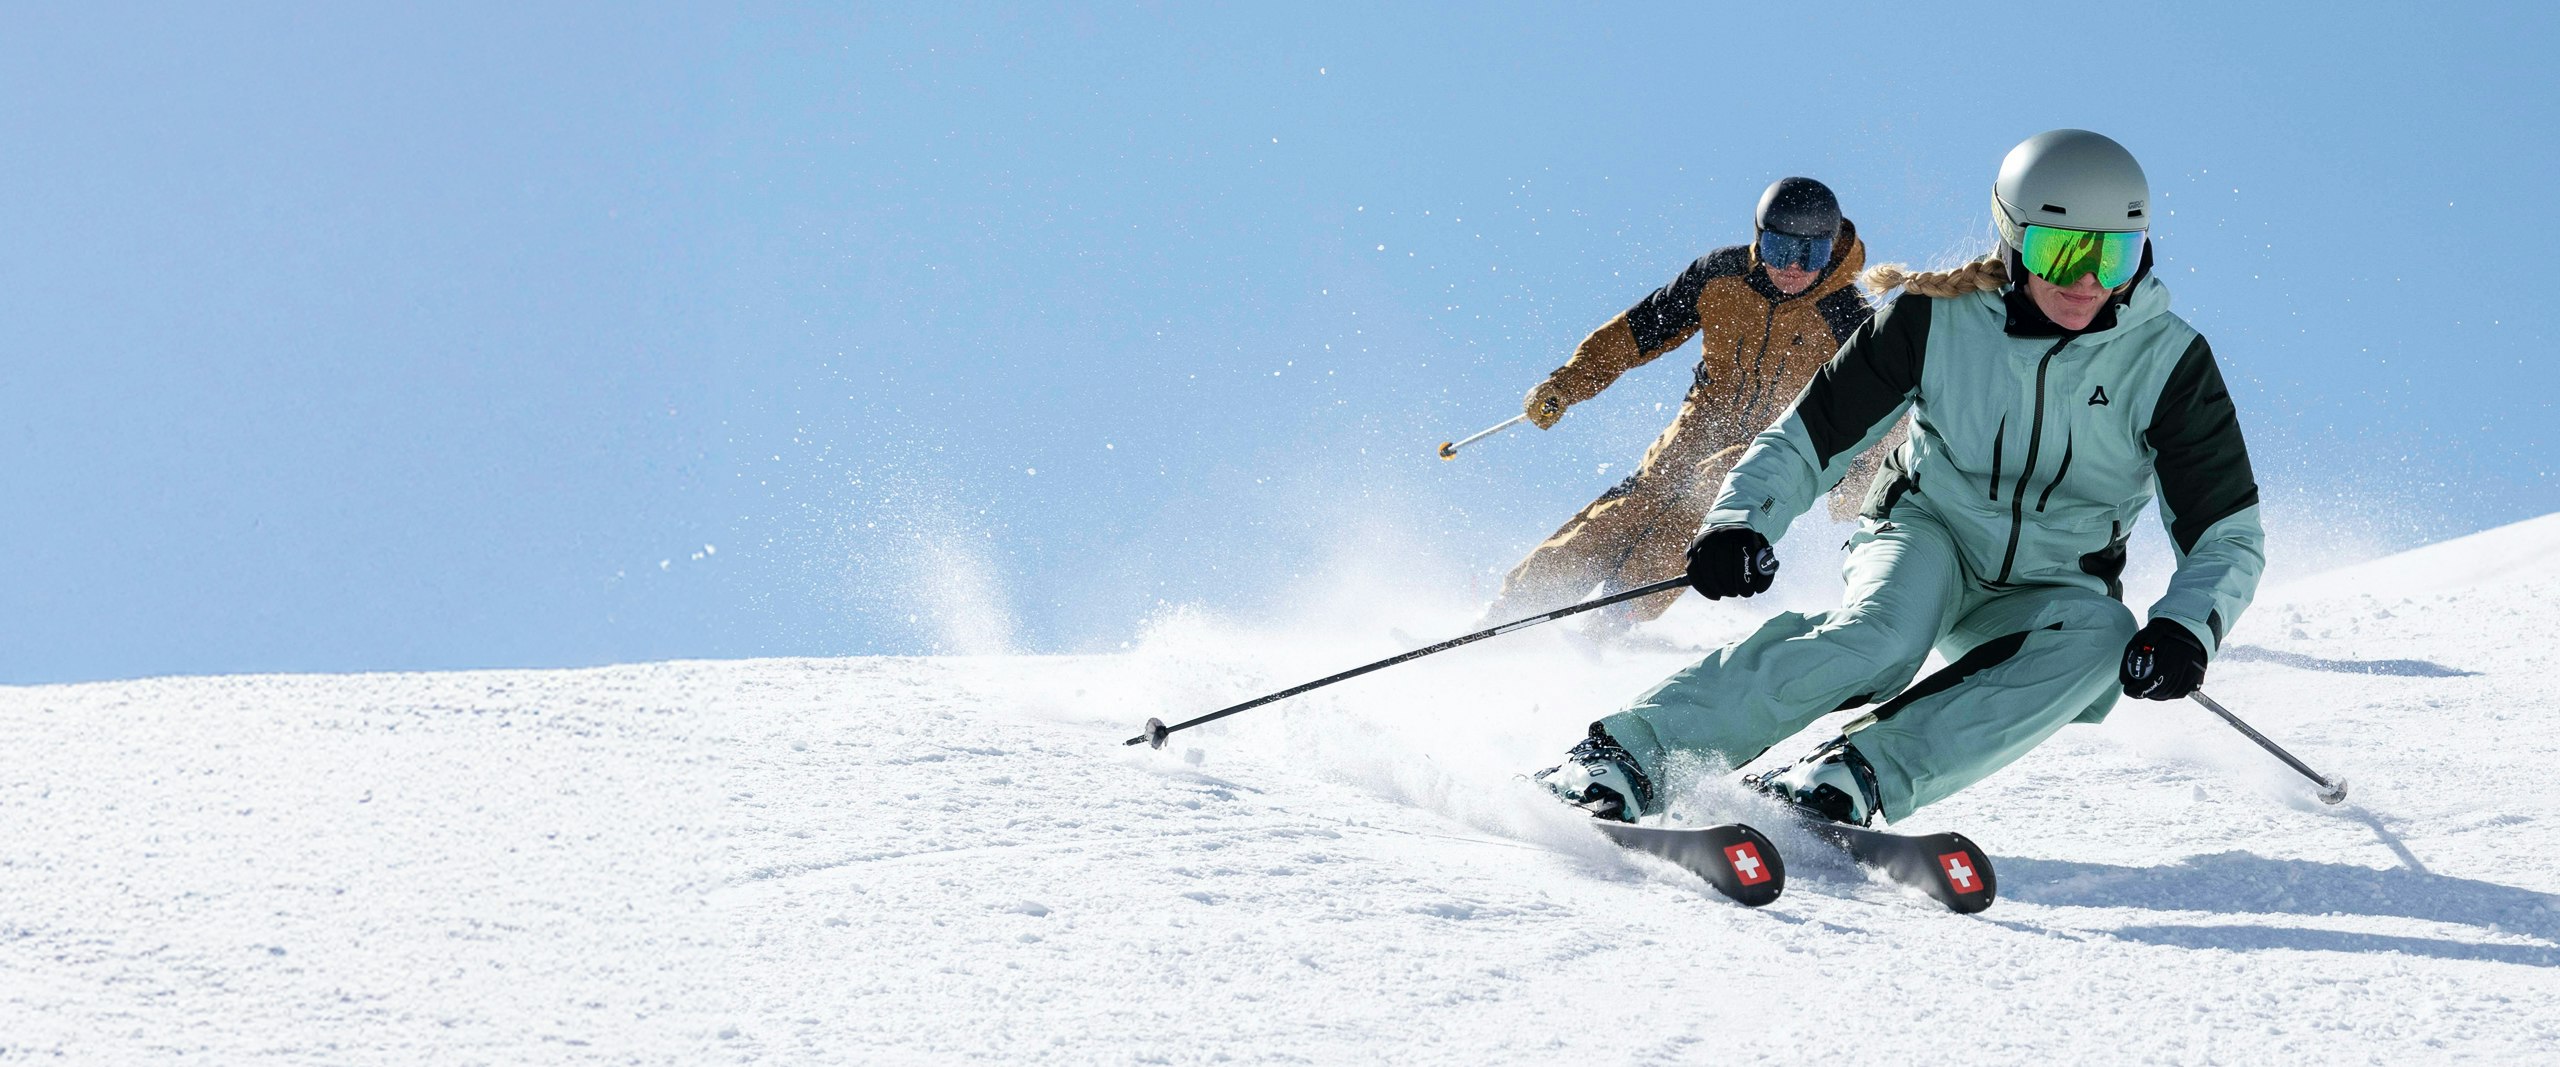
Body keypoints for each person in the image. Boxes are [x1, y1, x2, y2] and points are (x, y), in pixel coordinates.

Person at [1537, 130, 2264, 827]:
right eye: (2061, 249)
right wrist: (1739, 521)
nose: (2086, 281)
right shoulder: (1936, 319)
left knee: (2104, 638)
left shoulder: (2168, 363)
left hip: (2054, 581)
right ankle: (1629, 753)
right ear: (2013, 239)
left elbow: (2227, 533)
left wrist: (2185, 628)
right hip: (1927, 535)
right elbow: (1811, 434)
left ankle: (1855, 773)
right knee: (1881, 641)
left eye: (2114, 256)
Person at [1487, 177, 1894, 635]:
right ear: (1760, 238)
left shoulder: (1847, 318)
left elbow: (1881, 411)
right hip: (1706, 415)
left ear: (1831, 249)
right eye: (1781, 250)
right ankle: (1515, 607)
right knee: (1636, 503)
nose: (1795, 268)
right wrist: (1566, 385)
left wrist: (1857, 484)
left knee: (1708, 501)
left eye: (1812, 254)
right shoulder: (1720, 276)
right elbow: (1638, 331)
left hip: (1778, 440)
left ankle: (1612, 619)